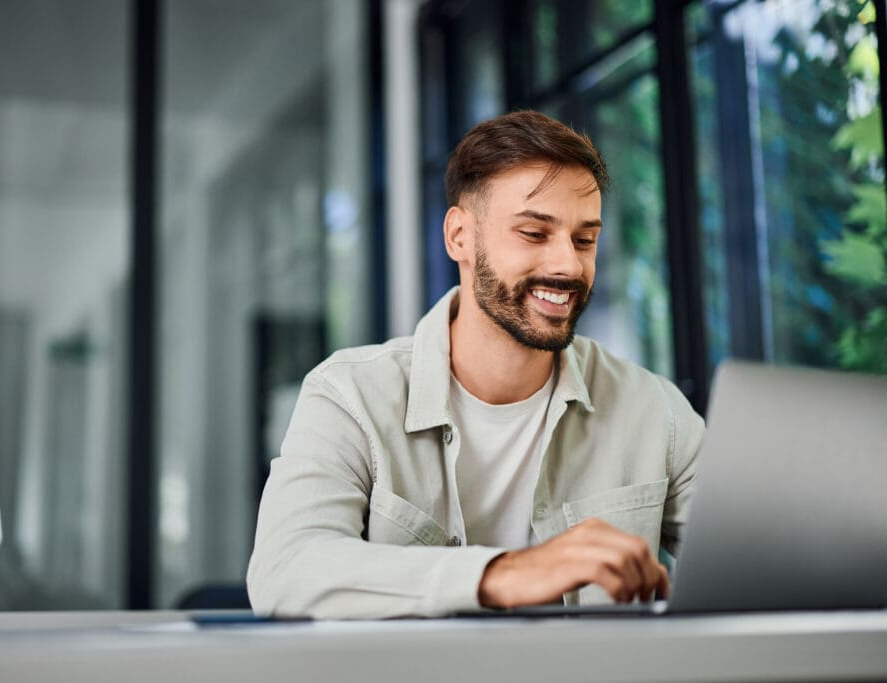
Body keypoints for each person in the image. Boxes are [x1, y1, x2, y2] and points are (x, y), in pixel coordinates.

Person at [246, 110, 704, 619]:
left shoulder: (654, 409)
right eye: (534, 233)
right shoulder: (350, 396)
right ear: (459, 236)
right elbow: (285, 570)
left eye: (584, 239)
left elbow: (760, 567)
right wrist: (505, 573)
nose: (568, 265)